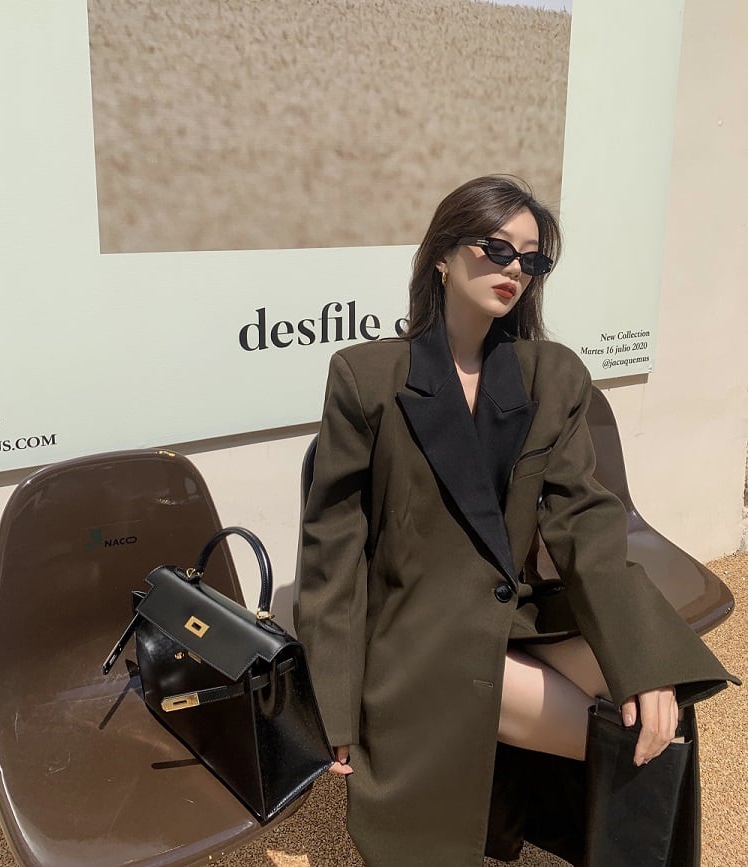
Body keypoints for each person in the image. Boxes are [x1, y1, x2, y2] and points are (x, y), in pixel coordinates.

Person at [295, 175, 738, 867]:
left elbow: (585, 521)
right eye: (496, 248)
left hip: (519, 615)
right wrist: (336, 704)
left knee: (663, 703)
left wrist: (645, 659)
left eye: (531, 259)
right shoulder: (367, 377)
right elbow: (333, 555)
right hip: (420, 634)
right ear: (443, 256)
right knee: (635, 743)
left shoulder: (551, 376)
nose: (515, 269)